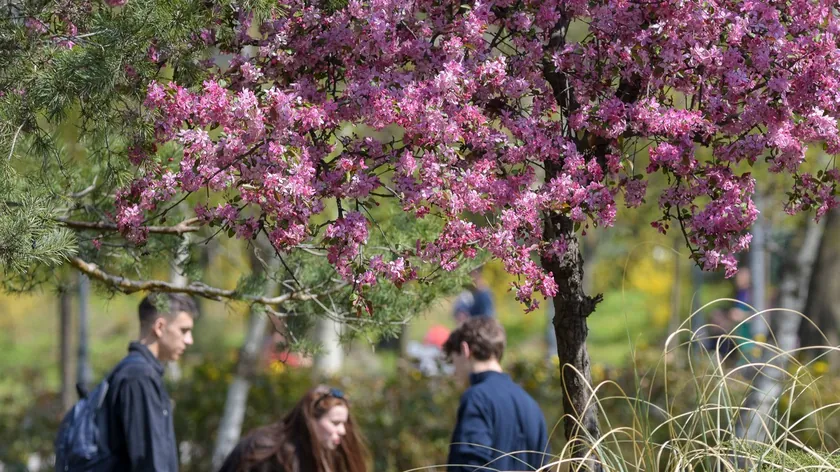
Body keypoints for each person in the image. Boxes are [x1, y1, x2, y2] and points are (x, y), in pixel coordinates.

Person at [102, 293, 199, 471]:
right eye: (184, 330)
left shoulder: (139, 372)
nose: (189, 340)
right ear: (160, 326)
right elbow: (149, 461)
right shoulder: (139, 377)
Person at [443, 317, 549, 471]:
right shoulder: (531, 404)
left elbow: (470, 465)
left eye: (453, 361)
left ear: (465, 350)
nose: (454, 372)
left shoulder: (476, 398)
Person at [218, 385, 369, 472]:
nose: (342, 431)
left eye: (344, 423)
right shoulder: (268, 452)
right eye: (335, 423)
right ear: (311, 419)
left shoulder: (319, 452)